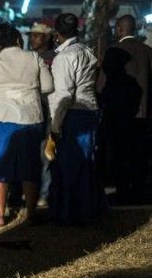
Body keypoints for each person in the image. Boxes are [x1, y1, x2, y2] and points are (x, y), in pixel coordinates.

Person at [0, 24, 53, 225]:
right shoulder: (33, 58)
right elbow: (49, 86)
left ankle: (0, 216)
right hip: (30, 118)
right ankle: (31, 215)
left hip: (1, 118)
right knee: (30, 169)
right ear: (18, 40)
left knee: (0, 170)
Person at [48, 13, 106, 224]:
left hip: (74, 113)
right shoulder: (86, 50)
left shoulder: (64, 57)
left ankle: (70, 214)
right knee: (86, 164)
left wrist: (55, 126)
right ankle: (89, 210)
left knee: (70, 166)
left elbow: (63, 96)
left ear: (57, 34)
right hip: (90, 111)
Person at [97, 15, 152, 203]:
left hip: (116, 114)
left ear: (120, 29)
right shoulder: (147, 51)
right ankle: (138, 190)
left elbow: (101, 86)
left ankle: (122, 191)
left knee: (118, 154)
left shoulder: (111, 52)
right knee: (139, 153)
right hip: (143, 114)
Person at [27, 22, 56, 205]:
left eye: (37, 35)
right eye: (31, 35)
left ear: (47, 38)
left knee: (45, 153)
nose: (33, 38)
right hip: (30, 109)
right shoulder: (28, 57)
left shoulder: (53, 57)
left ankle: (45, 193)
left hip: (46, 109)